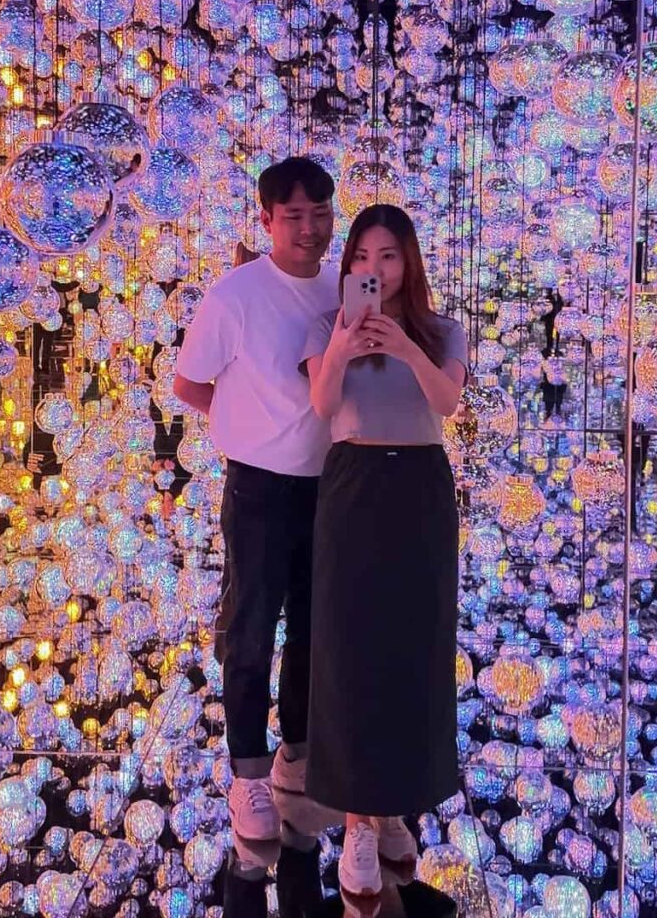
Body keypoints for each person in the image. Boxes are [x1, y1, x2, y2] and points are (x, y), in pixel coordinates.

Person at [300, 204, 468, 897]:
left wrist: (404, 347)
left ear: (410, 262)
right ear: (349, 266)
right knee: (348, 649)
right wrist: (346, 340)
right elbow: (322, 402)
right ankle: (360, 823)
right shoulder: (324, 326)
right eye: (363, 258)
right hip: (353, 483)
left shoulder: (441, 330)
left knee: (415, 647)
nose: (376, 270)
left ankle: (394, 804)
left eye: (389, 256)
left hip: (420, 486)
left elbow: (447, 403)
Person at [173, 157, 340, 840]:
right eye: (293, 215)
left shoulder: (342, 287)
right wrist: (245, 426)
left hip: (331, 485)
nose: (309, 227)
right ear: (267, 221)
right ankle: (248, 775)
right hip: (259, 487)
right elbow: (189, 385)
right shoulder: (237, 294)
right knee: (250, 628)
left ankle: (296, 755)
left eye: (320, 212)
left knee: (311, 627)